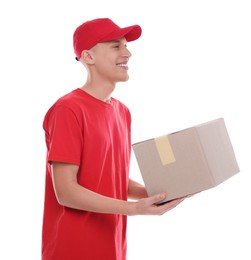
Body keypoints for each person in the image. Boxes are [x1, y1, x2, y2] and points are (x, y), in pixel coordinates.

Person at [41, 18, 186, 260]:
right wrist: (134, 209)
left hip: (113, 247)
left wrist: (158, 193)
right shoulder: (68, 110)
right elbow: (66, 191)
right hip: (73, 250)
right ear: (89, 57)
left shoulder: (122, 112)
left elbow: (110, 177)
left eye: (126, 46)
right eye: (116, 46)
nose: (127, 52)